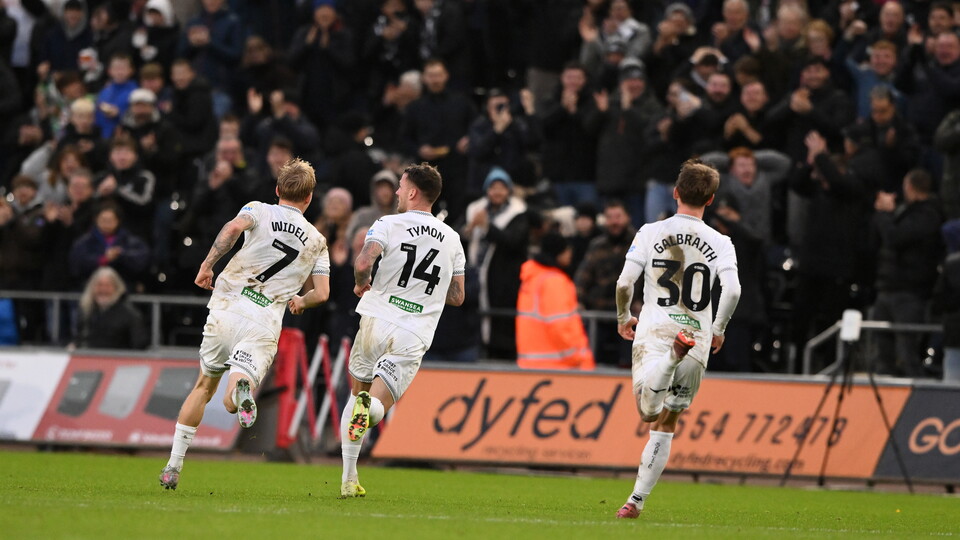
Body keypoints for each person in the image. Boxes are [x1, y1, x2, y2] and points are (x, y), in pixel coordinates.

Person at [159, 158, 331, 491]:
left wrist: (208, 264)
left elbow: (232, 228)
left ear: (277, 189)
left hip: (229, 306)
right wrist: (300, 301)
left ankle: (173, 466)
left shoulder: (258, 209)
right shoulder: (317, 241)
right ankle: (241, 391)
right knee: (234, 393)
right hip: (265, 318)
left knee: (203, 387)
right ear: (310, 198)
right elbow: (321, 292)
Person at [614, 159, 740, 518]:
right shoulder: (722, 241)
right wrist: (718, 329)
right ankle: (636, 501)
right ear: (711, 199)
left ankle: (671, 357)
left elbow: (625, 283)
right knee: (667, 422)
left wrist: (624, 317)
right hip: (697, 339)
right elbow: (731, 291)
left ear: (675, 192)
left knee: (646, 411)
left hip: (657, 333)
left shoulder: (650, 232)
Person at [341, 162, 465, 498]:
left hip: (375, 320)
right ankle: (370, 410)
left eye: (400, 185)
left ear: (412, 192)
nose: (396, 191)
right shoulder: (452, 239)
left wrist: (361, 284)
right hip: (413, 330)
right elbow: (457, 296)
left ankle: (348, 478)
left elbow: (364, 262)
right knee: (377, 405)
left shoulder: (387, 223)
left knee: (356, 395)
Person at [516, 233, 595, 370]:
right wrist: (578, 358)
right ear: (558, 253)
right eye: (567, 250)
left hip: (532, 365)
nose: (570, 254)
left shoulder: (533, 279)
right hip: (559, 368)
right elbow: (560, 326)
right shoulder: (554, 282)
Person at [74, 266, 148, 350]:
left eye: (108, 285)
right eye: (99, 285)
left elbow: (140, 344)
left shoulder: (130, 314)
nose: (103, 289)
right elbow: (79, 338)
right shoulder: (86, 310)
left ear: (116, 288)